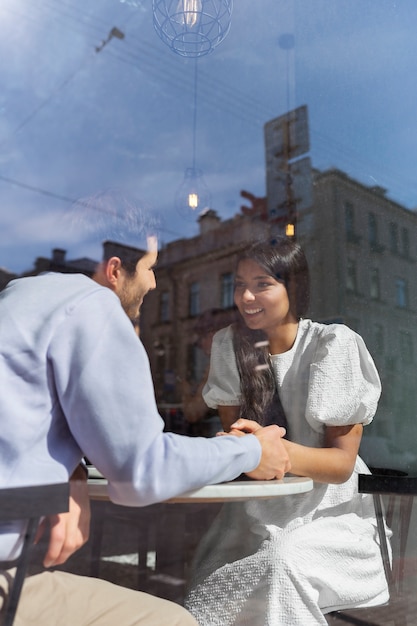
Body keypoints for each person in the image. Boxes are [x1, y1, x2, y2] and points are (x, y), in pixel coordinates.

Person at [0, 194, 291, 626]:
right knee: (175, 621)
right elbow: (142, 471)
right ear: (115, 270)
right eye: (151, 269)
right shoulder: (93, 307)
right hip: (8, 581)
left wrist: (73, 471)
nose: (155, 284)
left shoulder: (18, 298)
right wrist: (252, 452)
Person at [185, 237, 389, 626]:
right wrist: (241, 449)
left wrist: (266, 449)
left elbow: (341, 464)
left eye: (262, 283)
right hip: (254, 513)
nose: (246, 295)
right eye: (239, 284)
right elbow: (242, 449)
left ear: (292, 288)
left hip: (330, 515)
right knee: (207, 583)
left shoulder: (333, 344)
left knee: (281, 563)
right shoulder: (230, 346)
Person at [181, 308, 237, 437]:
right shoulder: (240, 359)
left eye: (203, 336)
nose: (201, 344)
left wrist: (184, 389)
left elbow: (193, 413)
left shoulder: (219, 365)